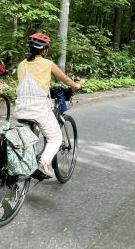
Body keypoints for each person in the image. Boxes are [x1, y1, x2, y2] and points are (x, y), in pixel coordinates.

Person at [13, 32, 81, 178]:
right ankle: (44, 162)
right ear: (44, 50)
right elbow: (67, 81)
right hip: (38, 109)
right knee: (55, 137)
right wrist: (76, 87)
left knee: (27, 138)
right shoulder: (48, 64)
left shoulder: (21, 64)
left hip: (20, 108)